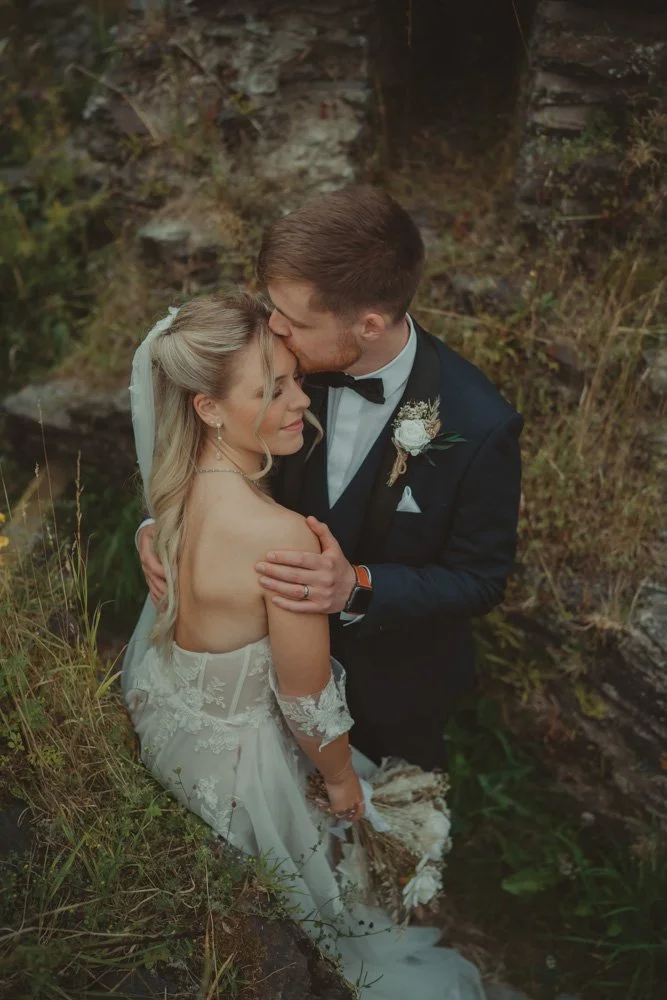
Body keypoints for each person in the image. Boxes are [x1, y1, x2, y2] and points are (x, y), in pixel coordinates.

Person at [122, 291, 486, 999]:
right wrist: (343, 781)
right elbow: (304, 697)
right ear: (208, 407)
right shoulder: (280, 537)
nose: (301, 402)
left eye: (294, 378)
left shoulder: (170, 497)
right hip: (247, 769)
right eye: (274, 389)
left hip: (177, 736)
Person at [137, 186, 523, 771]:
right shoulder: (276, 364)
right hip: (257, 691)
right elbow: (202, 434)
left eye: (291, 320)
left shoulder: (479, 424)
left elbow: (479, 579)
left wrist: (357, 587)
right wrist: (162, 526)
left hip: (392, 693)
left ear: (367, 325)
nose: (272, 327)